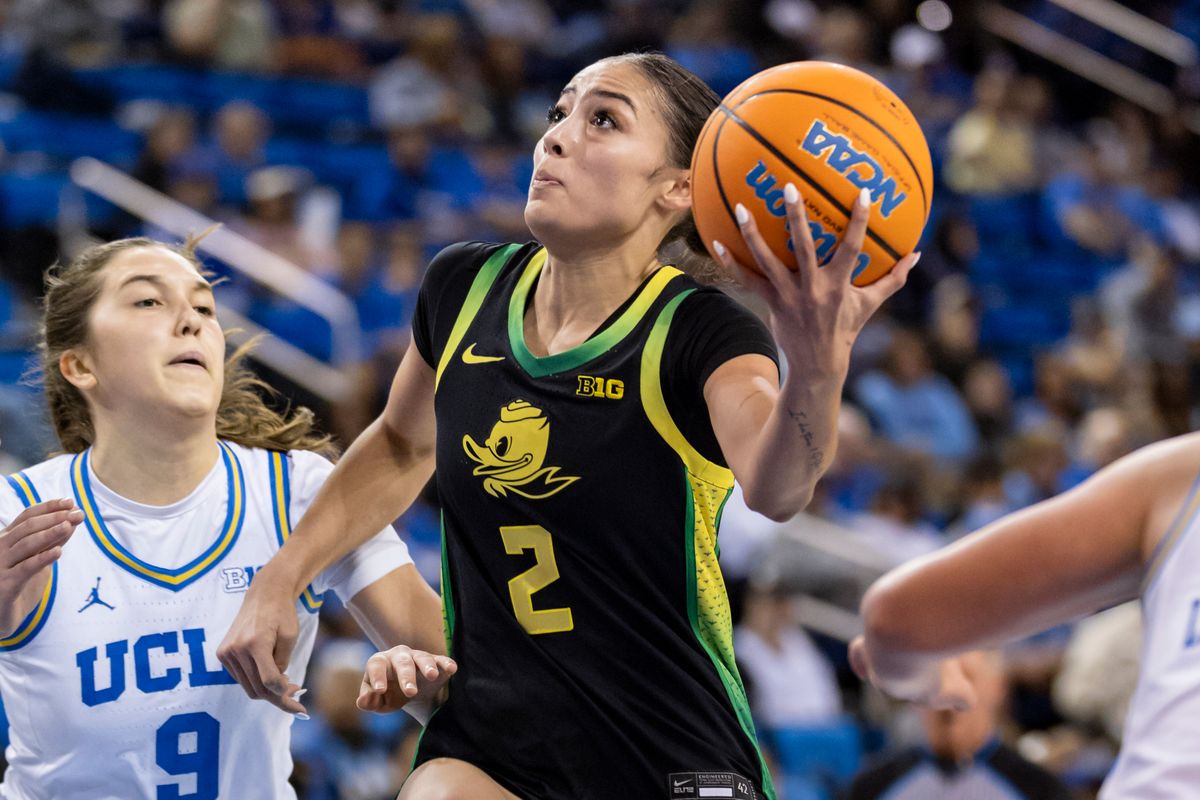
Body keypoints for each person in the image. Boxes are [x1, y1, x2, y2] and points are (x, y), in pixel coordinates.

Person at [220, 52, 916, 800]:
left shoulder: (700, 332)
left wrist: (816, 366)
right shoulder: (462, 286)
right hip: (496, 743)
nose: (555, 137)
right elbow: (399, 443)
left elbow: (778, 488)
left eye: (604, 120)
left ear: (679, 188)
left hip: (664, 746)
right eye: (559, 114)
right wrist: (280, 579)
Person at [0, 236, 451, 799]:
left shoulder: (300, 492)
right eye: (148, 302)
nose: (190, 321)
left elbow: (462, 693)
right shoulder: (15, 514)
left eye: (204, 307)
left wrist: (414, 674)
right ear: (80, 365)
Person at [852, 430, 1200, 798]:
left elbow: (895, 622)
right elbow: (897, 620)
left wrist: (925, 680)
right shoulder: (1181, 475)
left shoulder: (1179, 475)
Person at [846, 651, 1071, 799]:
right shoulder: (869, 788)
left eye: (967, 677)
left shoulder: (1041, 790)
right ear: (914, 692)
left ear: (996, 687)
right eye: (935, 680)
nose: (948, 696)